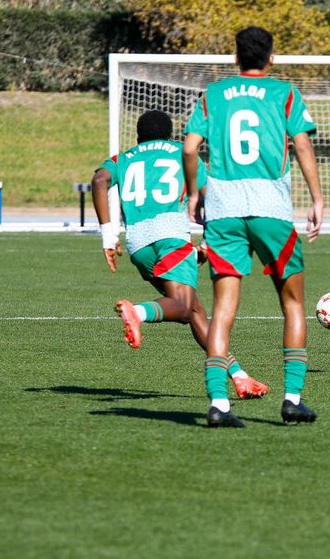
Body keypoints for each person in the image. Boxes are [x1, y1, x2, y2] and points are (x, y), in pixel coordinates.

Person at [183, 27, 324, 428]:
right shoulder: (285, 94)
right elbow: (301, 145)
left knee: (224, 310)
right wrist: (317, 199)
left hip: (223, 208)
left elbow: (190, 148)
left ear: (235, 57)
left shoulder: (212, 96)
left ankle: (218, 404)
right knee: (292, 302)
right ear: (272, 58)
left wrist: (195, 193)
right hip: (271, 210)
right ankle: (292, 399)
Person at [91, 110, 268, 400]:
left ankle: (239, 376)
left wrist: (108, 237)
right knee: (184, 307)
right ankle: (138, 312)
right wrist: (210, 242)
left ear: (138, 137)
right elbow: (213, 199)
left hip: (138, 244)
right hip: (172, 236)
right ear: (170, 134)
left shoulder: (122, 158)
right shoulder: (183, 154)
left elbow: (99, 182)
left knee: (194, 311)